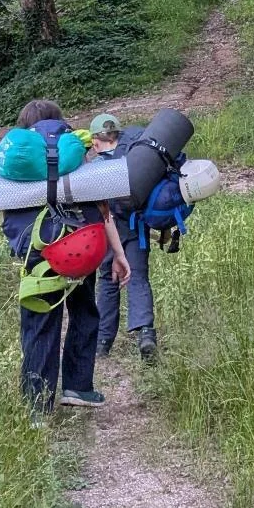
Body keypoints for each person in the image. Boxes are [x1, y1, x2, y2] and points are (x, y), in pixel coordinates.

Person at [1, 98, 130, 413]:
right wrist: (118, 253)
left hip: (40, 249)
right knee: (84, 312)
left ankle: (37, 406)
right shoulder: (74, 152)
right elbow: (102, 207)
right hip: (79, 245)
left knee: (39, 322)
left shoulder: (17, 157)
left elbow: (7, 210)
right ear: (59, 122)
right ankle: (78, 387)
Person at [88, 111, 159, 363]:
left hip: (108, 230)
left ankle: (102, 342)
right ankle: (146, 333)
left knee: (108, 279)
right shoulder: (136, 158)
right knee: (137, 276)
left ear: (96, 141)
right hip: (136, 226)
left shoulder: (96, 167)